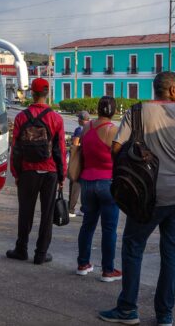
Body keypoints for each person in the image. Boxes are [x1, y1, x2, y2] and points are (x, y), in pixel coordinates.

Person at [99, 72, 175, 326]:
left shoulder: (136, 112)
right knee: (173, 254)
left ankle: (128, 309)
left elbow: (115, 148)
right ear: (171, 90)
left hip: (146, 197)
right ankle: (165, 315)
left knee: (134, 247)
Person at [7, 78, 67, 265]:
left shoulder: (20, 117)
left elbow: (15, 148)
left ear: (31, 93)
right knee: (47, 214)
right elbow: (60, 149)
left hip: (27, 171)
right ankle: (41, 253)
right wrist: (61, 175)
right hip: (49, 172)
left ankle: (21, 249)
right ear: (47, 94)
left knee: (26, 212)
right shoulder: (56, 118)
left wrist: (16, 173)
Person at [74, 97, 121, 282]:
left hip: (87, 182)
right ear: (114, 111)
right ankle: (108, 270)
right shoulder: (113, 130)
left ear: (98, 109)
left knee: (88, 225)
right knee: (109, 229)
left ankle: (83, 264)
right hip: (107, 182)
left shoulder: (87, 128)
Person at [69, 110, 90, 217]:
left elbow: (75, 144)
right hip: (88, 160)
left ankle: (70, 209)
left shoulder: (79, 129)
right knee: (84, 185)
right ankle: (83, 208)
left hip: (78, 160)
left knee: (75, 184)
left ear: (81, 120)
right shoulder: (91, 128)